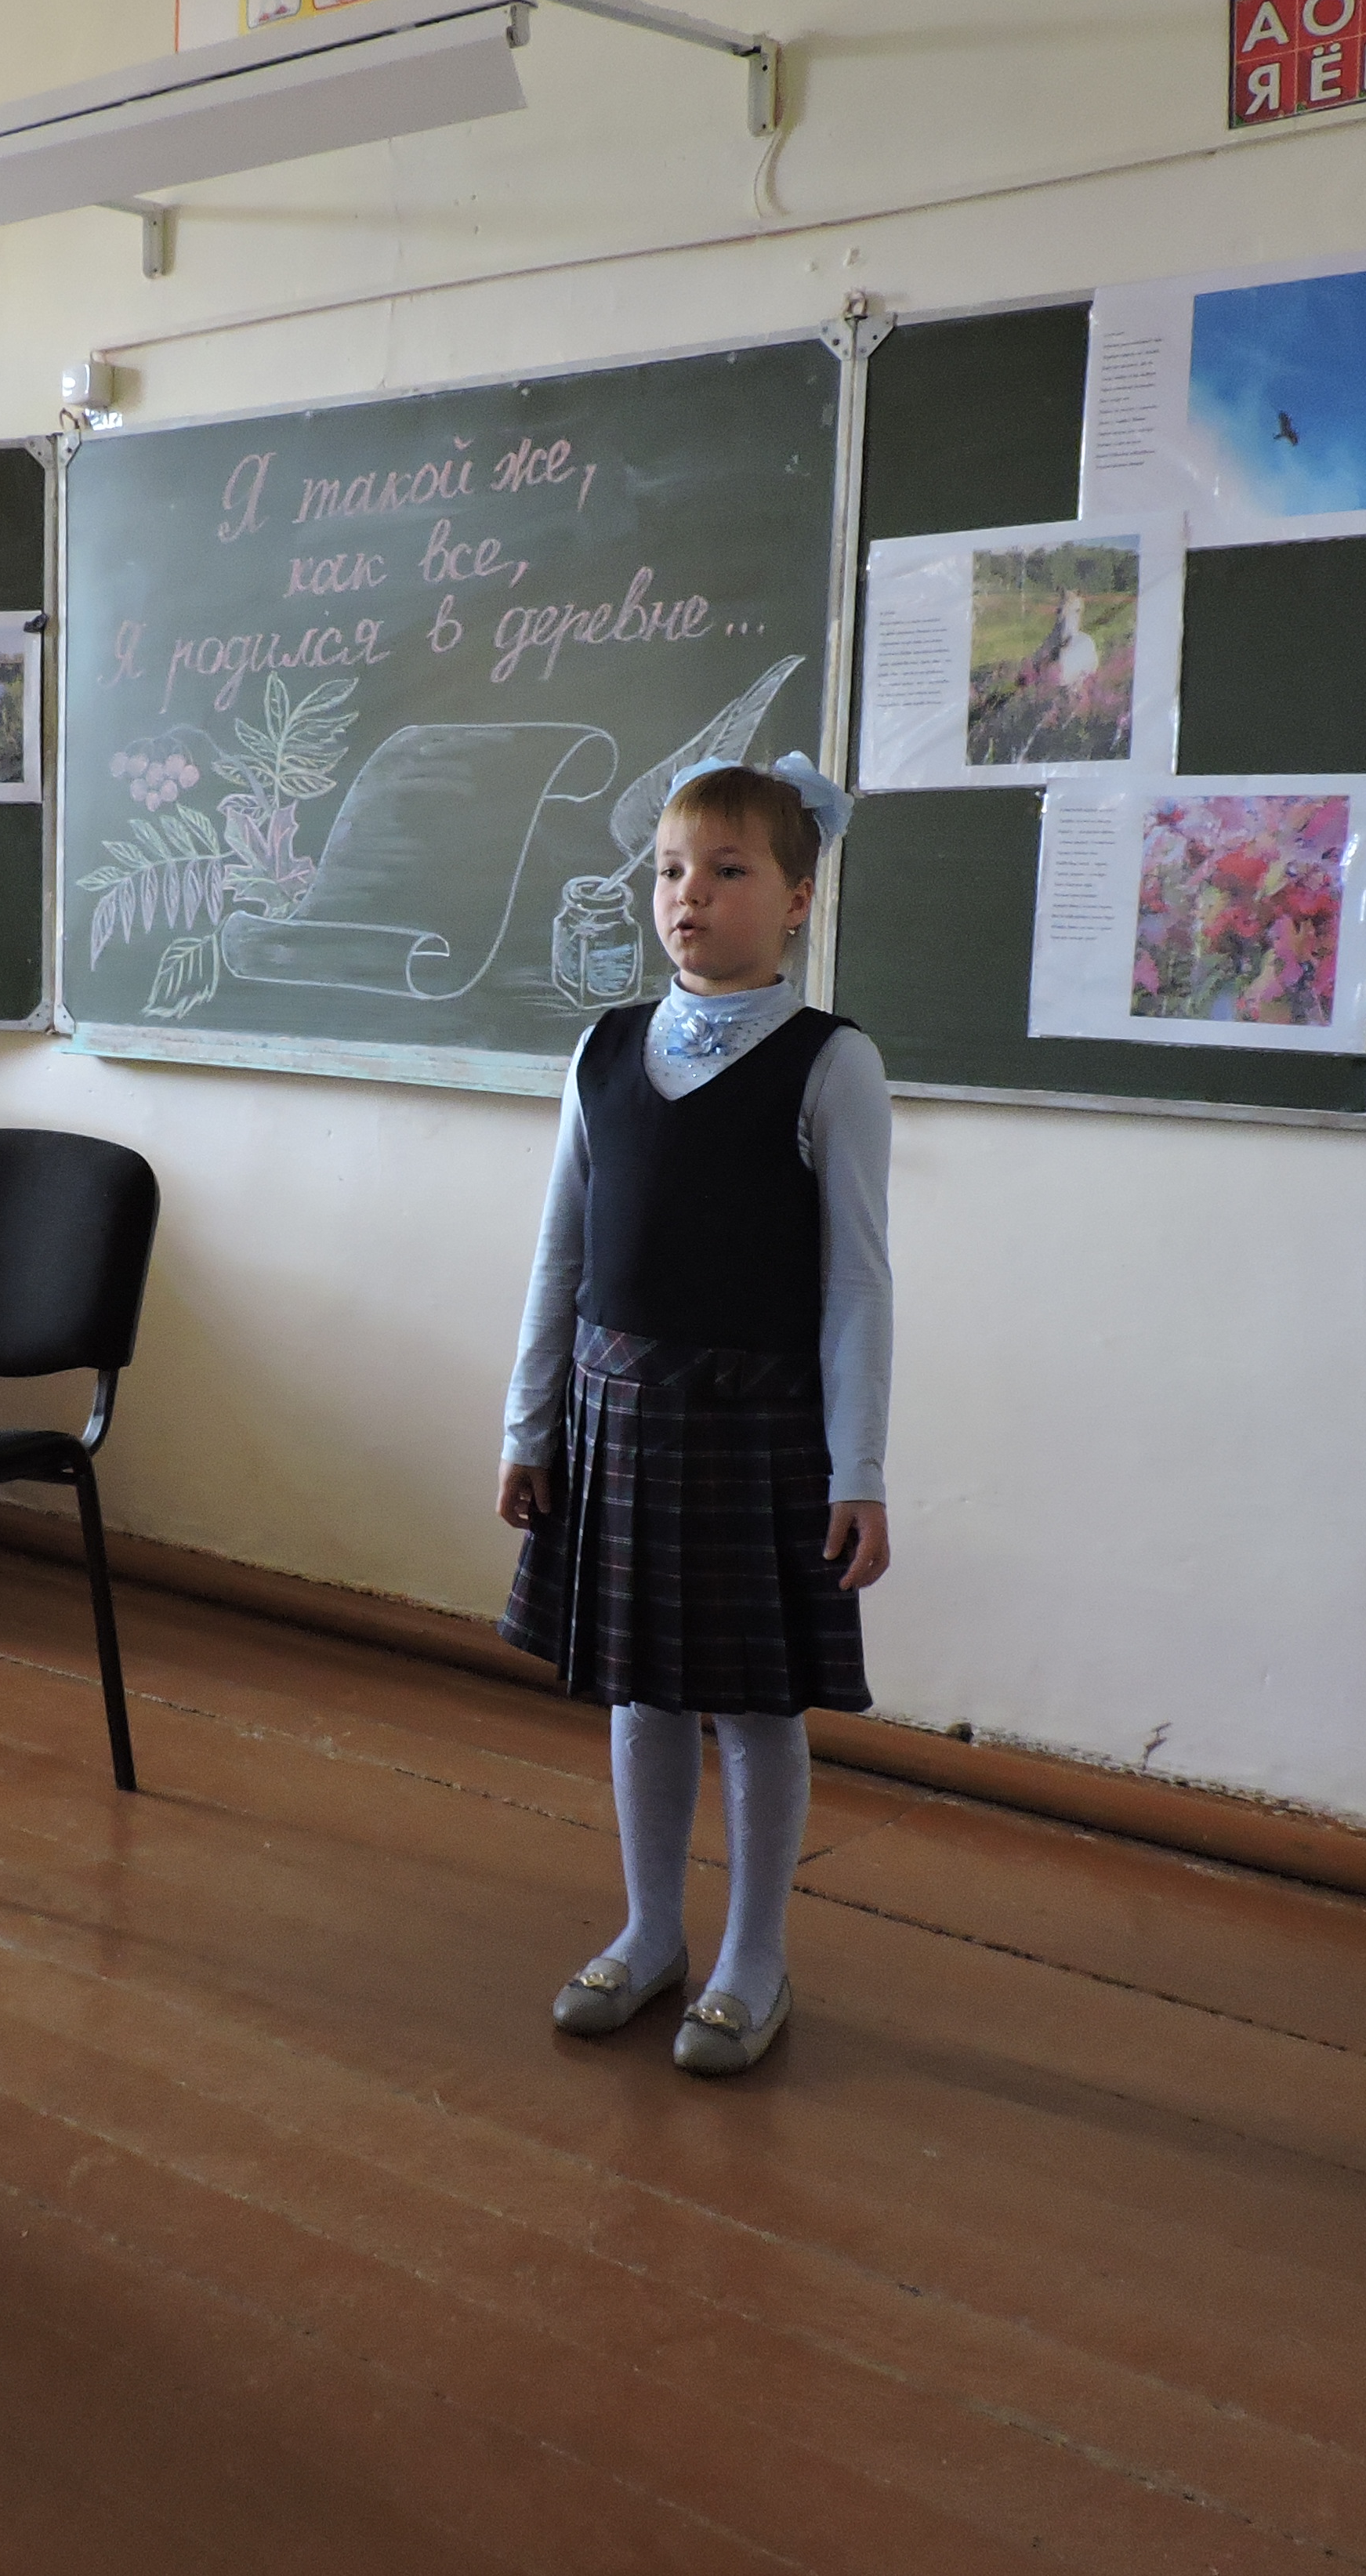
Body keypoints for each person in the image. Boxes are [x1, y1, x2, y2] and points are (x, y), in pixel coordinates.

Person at [497, 752, 891, 2078]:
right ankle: (652, 1929)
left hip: (756, 1426)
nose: (689, 895)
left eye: (727, 871)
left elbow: (858, 1284)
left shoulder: (833, 1064)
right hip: (615, 1413)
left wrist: (859, 1467)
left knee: (756, 1703)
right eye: (671, 870)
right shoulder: (606, 1048)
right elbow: (559, 1253)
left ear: (797, 898)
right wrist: (528, 1428)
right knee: (642, 1688)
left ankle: (754, 1956)